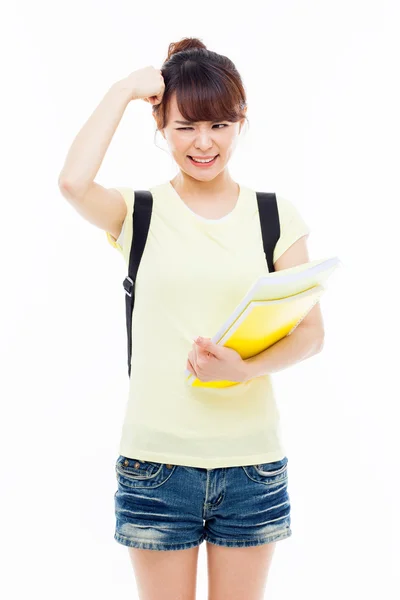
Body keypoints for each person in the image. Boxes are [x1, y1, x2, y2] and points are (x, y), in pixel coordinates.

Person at [58, 37, 324, 600]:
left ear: (240, 122)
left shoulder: (275, 216)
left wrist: (245, 369)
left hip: (250, 467)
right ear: (161, 125)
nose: (204, 143)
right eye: (185, 127)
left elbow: (311, 333)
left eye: (220, 125)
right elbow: (73, 184)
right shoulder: (140, 214)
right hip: (157, 466)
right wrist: (126, 88)